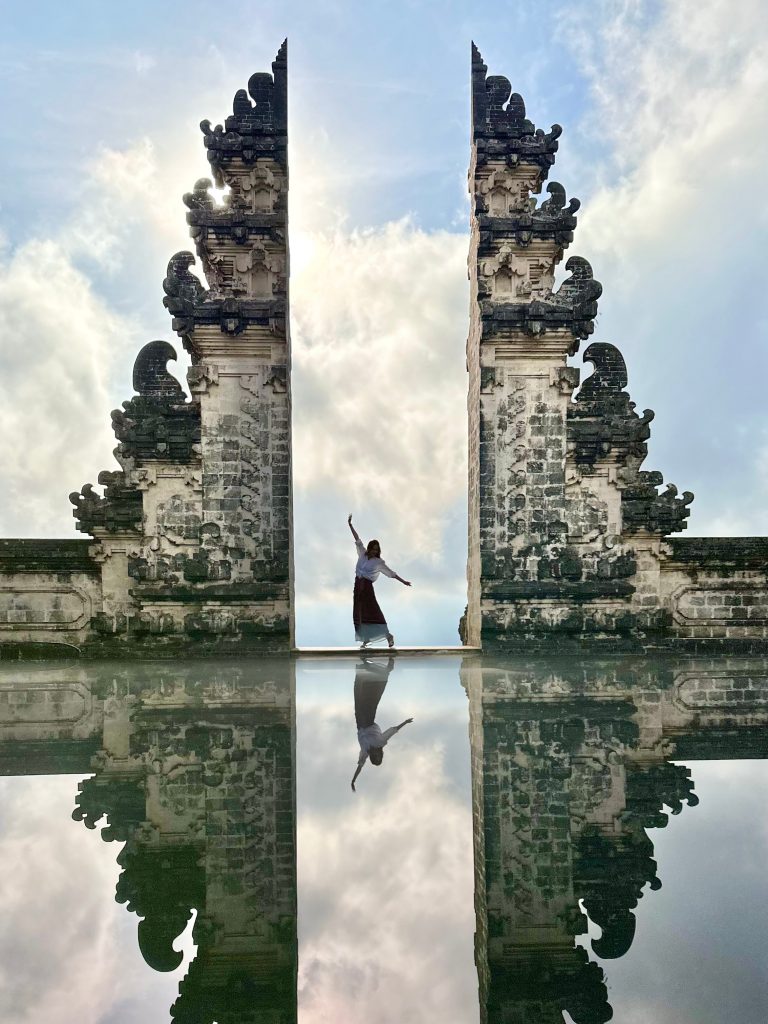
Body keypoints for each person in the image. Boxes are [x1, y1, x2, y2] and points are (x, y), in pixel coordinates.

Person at [348, 514, 411, 649]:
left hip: (367, 588)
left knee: (373, 611)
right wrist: (350, 525)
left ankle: (388, 636)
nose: (374, 552)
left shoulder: (379, 562)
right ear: (369, 548)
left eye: (377, 550)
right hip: (358, 587)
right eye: (373, 549)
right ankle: (366, 639)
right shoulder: (362, 553)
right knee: (359, 612)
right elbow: (357, 539)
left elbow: (391, 573)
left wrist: (403, 581)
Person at [350, 656, 413, 791]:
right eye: (379, 757)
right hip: (368, 719)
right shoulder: (380, 742)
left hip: (360, 721)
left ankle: (364, 667)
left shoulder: (365, 752)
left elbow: (360, 766)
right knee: (371, 699)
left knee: (359, 695)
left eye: (376, 758)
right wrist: (405, 722)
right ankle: (385, 672)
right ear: (380, 754)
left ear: (373, 757)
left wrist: (353, 780)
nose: (377, 755)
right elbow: (393, 731)